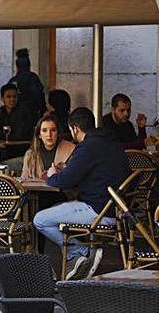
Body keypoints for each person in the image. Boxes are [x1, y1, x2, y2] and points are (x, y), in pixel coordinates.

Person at [33, 108, 130, 280]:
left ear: (75, 129)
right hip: (117, 209)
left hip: (99, 211)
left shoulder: (87, 147)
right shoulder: (111, 142)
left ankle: (80, 252)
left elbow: (65, 182)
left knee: (40, 220)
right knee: (57, 208)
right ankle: (77, 259)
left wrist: (52, 176)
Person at [21, 115, 75, 180]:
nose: (49, 134)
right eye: (44, 130)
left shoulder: (71, 149)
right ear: (39, 135)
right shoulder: (30, 155)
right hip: (36, 189)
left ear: (58, 133)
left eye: (53, 130)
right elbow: (24, 181)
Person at [0, 83, 35, 158]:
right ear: (2, 99)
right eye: (8, 97)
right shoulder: (0, 111)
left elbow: (18, 135)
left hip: (19, 150)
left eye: (15, 97)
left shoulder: (23, 112)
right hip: (3, 148)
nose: (12, 99)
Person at [8, 48, 46, 119]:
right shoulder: (33, 78)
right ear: (29, 63)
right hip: (32, 116)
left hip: (15, 117)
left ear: (17, 65)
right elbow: (40, 98)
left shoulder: (13, 81)